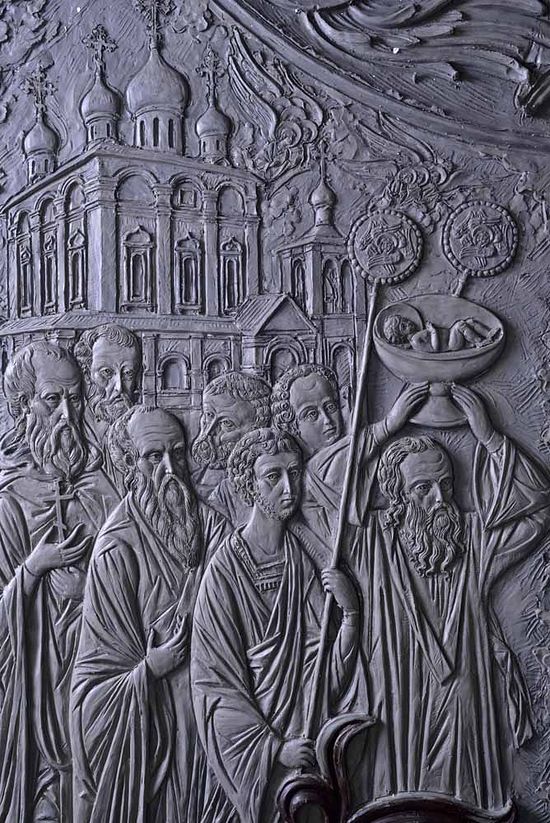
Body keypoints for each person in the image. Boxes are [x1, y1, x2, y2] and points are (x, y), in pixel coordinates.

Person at [345, 384, 550, 809]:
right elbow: (318, 488)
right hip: (398, 716)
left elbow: (539, 508)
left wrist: (491, 438)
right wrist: (386, 427)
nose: (440, 500)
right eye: (423, 488)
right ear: (397, 496)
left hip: (465, 722)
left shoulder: (474, 540)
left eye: (446, 485)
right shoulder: (372, 544)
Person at [191, 427, 362, 823]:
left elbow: (324, 676)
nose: (289, 488)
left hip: (305, 753)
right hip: (253, 763)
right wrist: (274, 749)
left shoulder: (301, 564)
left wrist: (351, 615)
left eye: (294, 473)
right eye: (273, 476)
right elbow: (214, 689)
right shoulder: (224, 574)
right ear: (247, 485)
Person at [71, 405, 228, 823]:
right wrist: (150, 668)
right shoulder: (116, 549)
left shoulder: (213, 527)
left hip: (214, 721)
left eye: (177, 454)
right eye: (154, 457)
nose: (171, 469)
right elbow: (93, 686)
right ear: (129, 463)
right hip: (156, 734)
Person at [0, 341, 119, 821]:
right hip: (32, 695)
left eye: (75, 398)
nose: (68, 414)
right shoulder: (8, 500)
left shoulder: (101, 486)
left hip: (96, 685)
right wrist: (33, 569)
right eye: (53, 400)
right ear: (22, 406)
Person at [191, 371, 271, 526]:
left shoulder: (264, 490)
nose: (209, 432)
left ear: (255, 430)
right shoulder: (192, 480)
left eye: (227, 423)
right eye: (208, 415)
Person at [74, 323, 141, 490]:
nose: (119, 387)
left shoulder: (143, 432)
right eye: (106, 372)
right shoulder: (72, 434)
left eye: (128, 374)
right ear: (86, 374)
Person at [382, 313, 499, 352]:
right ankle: (480, 342)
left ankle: (488, 334)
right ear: (402, 336)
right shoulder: (415, 341)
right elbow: (434, 348)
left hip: (452, 336)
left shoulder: (418, 334)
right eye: (403, 326)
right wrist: (433, 332)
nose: (408, 323)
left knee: (470, 322)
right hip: (451, 344)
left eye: (405, 320)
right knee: (460, 325)